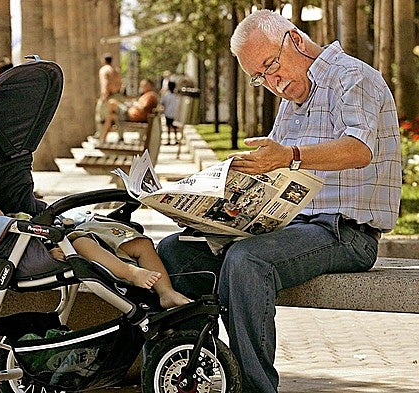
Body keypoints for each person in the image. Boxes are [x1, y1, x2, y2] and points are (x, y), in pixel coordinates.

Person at [156, 9, 401, 393]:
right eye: (261, 77)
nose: (273, 82)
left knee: (247, 261)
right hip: (291, 227)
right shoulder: (290, 102)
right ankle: (194, 373)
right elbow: (274, 177)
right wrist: (213, 208)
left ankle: (255, 388)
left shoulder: (353, 79)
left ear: (297, 41)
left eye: (272, 65)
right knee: (176, 252)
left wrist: (290, 155)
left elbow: (359, 149)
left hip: (346, 232)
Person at [0, 187, 190, 309]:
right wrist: (47, 254)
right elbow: (24, 256)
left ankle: (165, 292)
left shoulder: (13, 218)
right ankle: (131, 272)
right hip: (69, 245)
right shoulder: (3, 235)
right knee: (79, 243)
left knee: (140, 243)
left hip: (78, 232)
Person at [95, 53, 124, 138]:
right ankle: (120, 136)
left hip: (109, 96)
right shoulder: (116, 70)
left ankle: (100, 135)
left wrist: (104, 96)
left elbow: (105, 83)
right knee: (116, 115)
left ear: (104, 60)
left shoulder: (104, 70)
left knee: (99, 115)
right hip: (118, 95)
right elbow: (120, 84)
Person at [160, 81, 179, 145]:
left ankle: (168, 140)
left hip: (167, 113)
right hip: (175, 113)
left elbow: (162, 103)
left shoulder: (166, 96)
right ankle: (176, 139)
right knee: (175, 127)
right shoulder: (176, 96)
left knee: (168, 127)